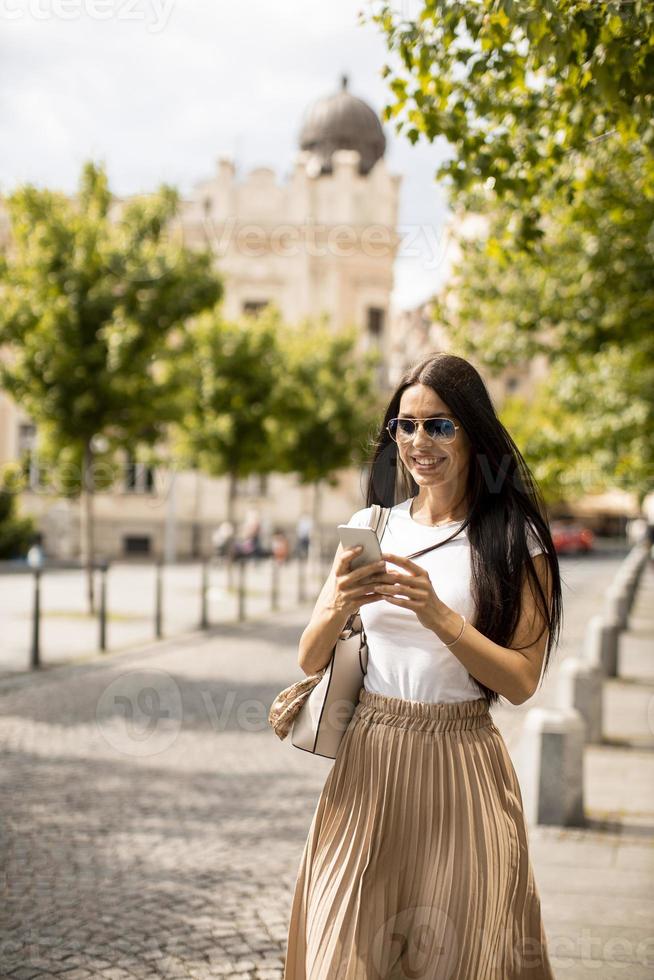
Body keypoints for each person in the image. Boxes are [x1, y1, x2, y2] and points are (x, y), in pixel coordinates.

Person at [283, 352, 562, 980]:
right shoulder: (371, 525)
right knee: (341, 954)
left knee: (457, 960)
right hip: (368, 762)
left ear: (473, 431)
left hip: (461, 766)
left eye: (439, 425)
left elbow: (520, 681)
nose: (418, 442)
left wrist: (440, 617)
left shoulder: (514, 538)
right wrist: (340, 604)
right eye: (404, 425)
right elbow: (308, 655)